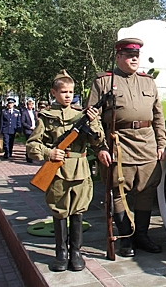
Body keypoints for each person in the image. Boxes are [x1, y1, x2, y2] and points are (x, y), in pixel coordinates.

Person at [86, 37, 166, 257]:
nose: (134, 59)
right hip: (119, 146)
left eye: (137, 56)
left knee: (147, 191)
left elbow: (158, 116)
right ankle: (125, 238)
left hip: (148, 145)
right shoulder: (103, 82)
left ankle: (142, 235)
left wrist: (161, 142)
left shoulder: (148, 82)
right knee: (118, 191)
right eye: (130, 55)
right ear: (118, 57)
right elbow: (92, 118)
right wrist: (100, 147)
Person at [26, 70, 104, 272]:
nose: (68, 95)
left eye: (71, 91)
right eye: (63, 92)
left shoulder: (82, 114)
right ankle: (61, 253)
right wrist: (49, 152)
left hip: (80, 171)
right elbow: (32, 145)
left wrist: (94, 121)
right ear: (54, 93)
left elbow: (97, 140)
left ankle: (76, 252)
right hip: (58, 171)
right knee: (60, 212)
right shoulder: (46, 116)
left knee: (78, 212)